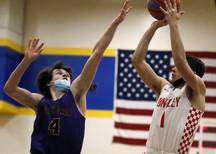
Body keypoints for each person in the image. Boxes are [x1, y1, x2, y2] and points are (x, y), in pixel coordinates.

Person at [3, 1, 131, 154]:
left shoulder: (76, 95)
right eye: (59, 73)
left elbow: (97, 52)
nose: (65, 74)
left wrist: (115, 23)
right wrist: (26, 61)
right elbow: (9, 89)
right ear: (49, 82)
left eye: (68, 75)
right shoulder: (39, 102)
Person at [132, 0, 206, 153]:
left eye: (178, 68)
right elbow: (137, 60)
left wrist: (174, 24)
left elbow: (179, 61)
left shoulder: (196, 88)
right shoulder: (163, 87)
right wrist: (154, 27)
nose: (173, 68)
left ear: (192, 71)